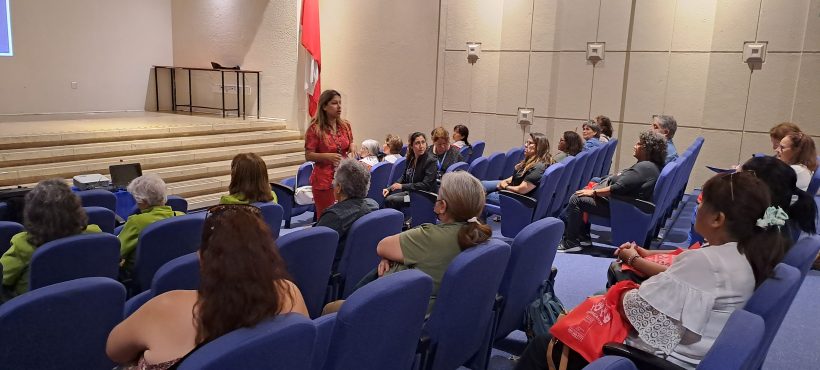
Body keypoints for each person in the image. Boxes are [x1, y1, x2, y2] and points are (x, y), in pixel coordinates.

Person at [517, 171, 792, 370]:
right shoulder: (744, 253)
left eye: (702, 201)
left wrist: (625, 291)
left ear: (718, 219)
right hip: (692, 353)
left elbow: (638, 314)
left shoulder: (707, 263)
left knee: (543, 346)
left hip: (657, 362)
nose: (697, 205)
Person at [106, 204, 308, 369]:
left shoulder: (165, 307)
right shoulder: (290, 292)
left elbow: (114, 350)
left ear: (202, 258)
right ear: (268, 255)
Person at [607, 155, 817, 286]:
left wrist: (634, 260)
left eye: (738, 177)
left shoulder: (744, 236)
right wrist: (649, 253)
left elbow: (693, 269)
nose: (697, 204)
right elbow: (697, 258)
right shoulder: (764, 228)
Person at [376, 171, 492, 313]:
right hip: (443, 313)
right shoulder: (480, 234)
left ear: (442, 206)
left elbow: (382, 246)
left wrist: (391, 258)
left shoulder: (429, 235)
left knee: (341, 306)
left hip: (404, 311)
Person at [559, 131, 666, 253]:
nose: (635, 145)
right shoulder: (649, 166)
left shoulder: (645, 167)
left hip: (622, 208)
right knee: (587, 190)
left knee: (577, 199)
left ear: (647, 148)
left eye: (639, 144)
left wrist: (594, 193)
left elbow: (617, 188)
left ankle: (570, 242)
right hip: (621, 204)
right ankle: (582, 237)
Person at [1, 179, 102, 297]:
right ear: (77, 210)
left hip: (34, 311)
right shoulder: (95, 234)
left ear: (31, 214)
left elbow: (4, 279)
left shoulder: (23, 244)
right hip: (87, 301)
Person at [316, 159, 379, 270]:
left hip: (333, 272)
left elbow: (314, 247)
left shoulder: (334, 217)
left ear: (339, 188)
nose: (332, 183)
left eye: (334, 180)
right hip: (364, 267)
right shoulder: (373, 205)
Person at [118, 174, 185, 275]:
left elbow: (117, 251)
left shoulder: (137, 222)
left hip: (141, 278)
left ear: (143, 201)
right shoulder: (181, 216)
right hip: (174, 273)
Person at [305, 90, 353, 218]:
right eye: (334, 103)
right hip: (324, 180)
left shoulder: (345, 125)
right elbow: (308, 155)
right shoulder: (315, 128)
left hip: (344, 177)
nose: (339, 107)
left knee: (344, 215)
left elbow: (350, 142)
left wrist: (352, 146)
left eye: (340, 103)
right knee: (327, 216)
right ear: (324, 106)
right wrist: (327, 156)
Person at [482, 132, 551, 205]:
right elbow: (519, 176)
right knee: (481, 185)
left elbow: (521, 190)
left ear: (539, 147)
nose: (525, 145)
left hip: (518, 199)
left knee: (486, 196)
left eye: (530, 143)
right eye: (526, 142)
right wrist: (504, 182)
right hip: (513, 187)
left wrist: (505, 186)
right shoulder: (532, 160)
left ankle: (478, 214)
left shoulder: (538, 167)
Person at [383, 132, 437, 210]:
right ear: (411, 146)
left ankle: (399, 220)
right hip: (412, 193)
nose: (421, 146)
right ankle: (401, 219)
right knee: (388, 197)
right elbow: (404, 175)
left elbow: (426, 185)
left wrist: (402, 186)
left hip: (425, 196)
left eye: (423, 142)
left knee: (391, 200)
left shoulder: (431, 161)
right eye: (417, 143)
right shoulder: (411, 158)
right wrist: (390, 188)